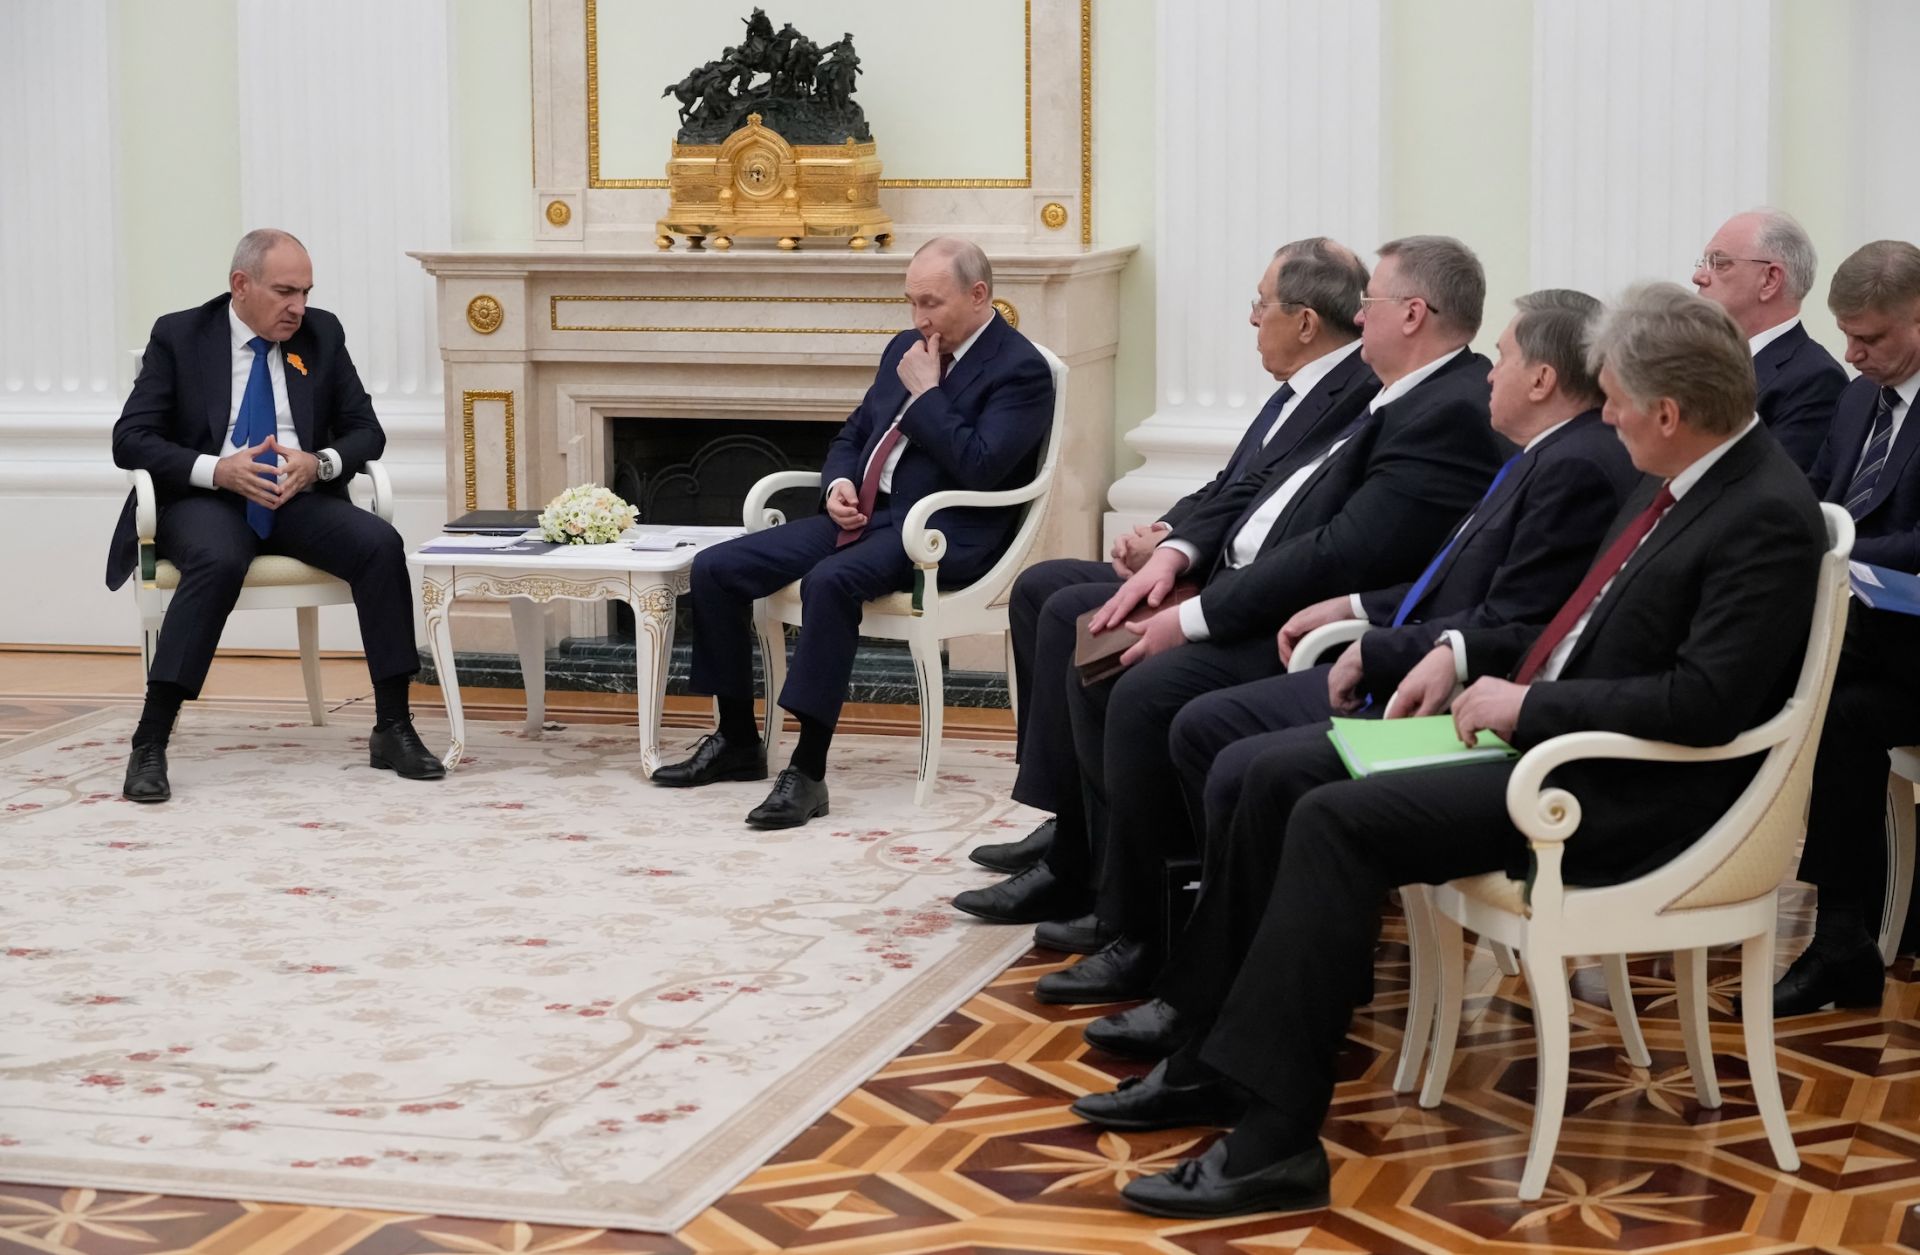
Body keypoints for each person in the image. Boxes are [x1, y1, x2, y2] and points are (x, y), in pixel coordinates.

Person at [1087, 283, 1825, 1219]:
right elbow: (1578, 625)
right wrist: (1463, 661)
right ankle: (1207, 1052)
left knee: (1332, 819)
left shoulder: (1762, 511)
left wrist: (1527, 704)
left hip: (1612, 790)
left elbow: (1704, 703)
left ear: (1670, 412)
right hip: (1553, 747)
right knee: (1272, 773)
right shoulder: (1679, 471)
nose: (1606, 417)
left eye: (1616, 400)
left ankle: (1275, 1140)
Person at [1084, 288, 1640, 1057]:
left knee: (1235, 752)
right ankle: (1238, 954)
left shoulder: (1574, 464)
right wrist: (1357, 610)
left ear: (1542, 379)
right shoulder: (1547, 453)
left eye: (1506, 356)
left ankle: (1236, 986)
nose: (1491, 371)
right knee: (1208, 729)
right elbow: (1456, 583)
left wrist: (1381, 647)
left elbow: (1512, 623)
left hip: (1443, 698)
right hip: (1407, 659)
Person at [997, 236, 1509, 1006]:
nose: (1357, 317)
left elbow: (1344, 551)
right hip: (1261, 591)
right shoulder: (1399, 390)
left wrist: (1195, 611)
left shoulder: (1445, 407)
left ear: (1411, 314)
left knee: (1139, 685)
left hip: (1315, 629)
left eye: (1369, 305)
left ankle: (1145, 926)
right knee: (1093, 632)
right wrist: (1179, 549)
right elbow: (1260, 489)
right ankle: (1111, 878)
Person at [964, 239, 1379, 920]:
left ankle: (1082, 856)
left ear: (1305, 322)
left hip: (1249, 590)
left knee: (1072, 611)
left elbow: (1273, 510)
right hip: (1209, 560)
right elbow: (1232, 485)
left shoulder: (1350, 391)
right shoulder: (1303, 389)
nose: (1252, 319)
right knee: (1042, 589)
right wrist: (1168, 533)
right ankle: (1074, 819)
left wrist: (1183, 557)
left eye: (1261, 304)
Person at [655, 237, 1054, 829]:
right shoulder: (905, 347)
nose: (919, 318)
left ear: (978, 295)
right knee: (717, 568)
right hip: (866, 514)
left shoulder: (1020, 370)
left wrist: (928, 393)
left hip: (939, 531)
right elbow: (854, 433)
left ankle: (807, 771)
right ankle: (737, 739)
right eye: (911, 302)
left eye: (931, 303)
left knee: (831, 582)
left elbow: (981, 466)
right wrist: (838, 484)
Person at [104, 229, 443, 804]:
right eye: (285, 292)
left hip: (296, 496)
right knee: (218, 558)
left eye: (306, 292)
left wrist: (319, 463)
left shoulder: (321, 334)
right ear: (241, 285)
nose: (298, 307)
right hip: (206, 498)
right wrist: (218, 470)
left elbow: (367, 431)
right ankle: (151, 739)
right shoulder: (181, 335)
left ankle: (393, 726)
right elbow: (131, 440)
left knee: (380, 544)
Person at [1772, 239, 1920, 1015]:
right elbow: (1820, 496)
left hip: (1909, 641)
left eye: (1871, 337)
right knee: (1837, 712)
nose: (1853, 355)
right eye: (1847, 335)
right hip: (1877, 649)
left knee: (1787, 662)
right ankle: (1840, 938)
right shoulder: (1860, 398)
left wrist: (1838, 552)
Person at [1692, 209, 1846, 472]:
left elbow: (1771, 488)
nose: (1699, 276)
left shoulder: (1815, 380)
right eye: (1704, 262)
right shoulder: (1696, 364)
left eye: (1719, 263)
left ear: (1770, 280)